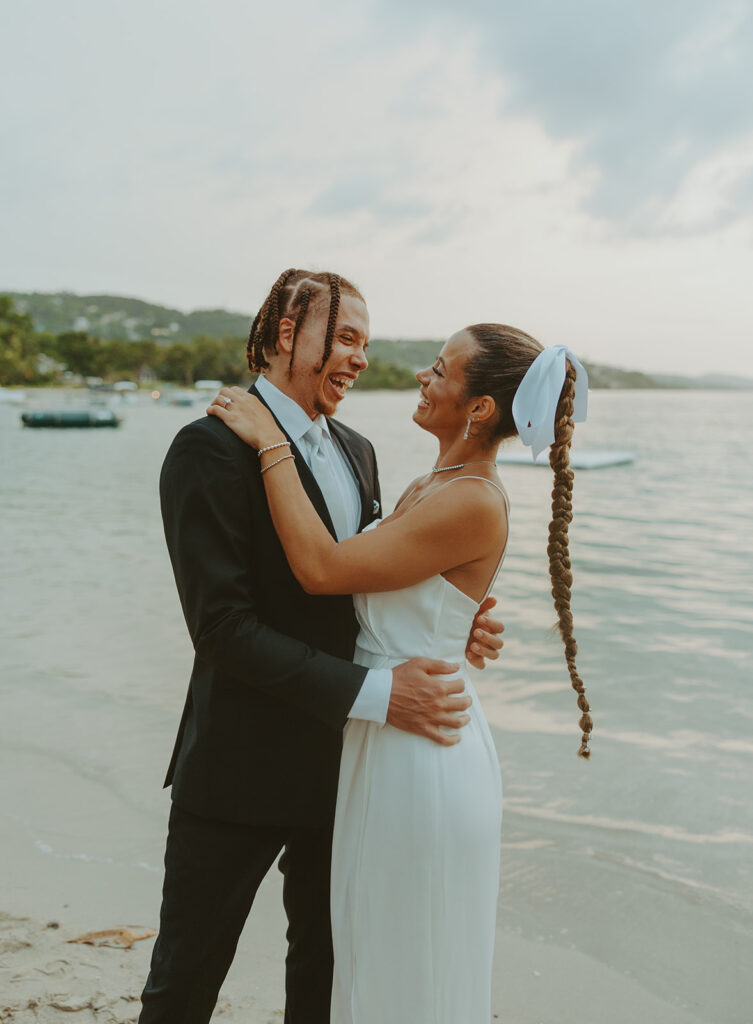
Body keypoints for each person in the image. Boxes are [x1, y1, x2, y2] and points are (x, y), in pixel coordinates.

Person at [138, 269, 505, 1024]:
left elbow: (359, 591)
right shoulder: (206, 449)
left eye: (366, 343)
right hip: (238, 765)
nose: (360, 357)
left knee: (325, 980)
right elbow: (221, 629)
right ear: (284, 336)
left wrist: (448, 615)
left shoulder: (359, 451)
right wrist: (381, 694)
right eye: (344, 336)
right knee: (185, 981)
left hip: (349, 774)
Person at [208, 321, 594, 1023]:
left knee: (411, 954)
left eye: (440, 370)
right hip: (383, 731)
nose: (422, 376)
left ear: (478, 408)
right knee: (371, 943)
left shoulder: (472, 499)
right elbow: (396, 588)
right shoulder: (432, 481)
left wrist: (269, 442)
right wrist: (454, 617)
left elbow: (322, 568)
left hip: (423, 751)